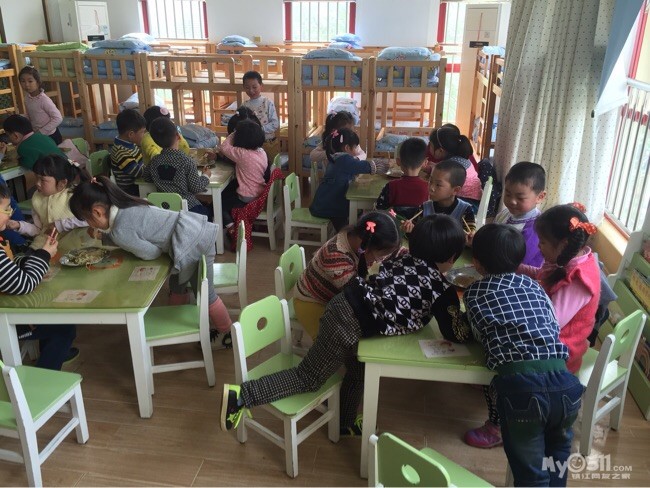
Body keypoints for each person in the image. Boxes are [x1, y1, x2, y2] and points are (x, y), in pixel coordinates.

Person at [221, 215, 471, 435]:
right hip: (346, 320)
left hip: (346, 306)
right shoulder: (442, 289)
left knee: (359, 370)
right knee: (308, 377)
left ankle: (344, 422)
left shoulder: (402, 260)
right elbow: (455, 333)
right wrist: (472, 323)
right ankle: (242, 396)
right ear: (452, 258)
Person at [466, 204, 601, 450]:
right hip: (547, 338)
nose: (538, 247)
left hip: (558, 349)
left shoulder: (578, 279)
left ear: (562, 244)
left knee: (505, 350)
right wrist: (513, 269)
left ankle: (498, 426)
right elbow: (541, 276)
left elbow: (550, 321)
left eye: (543, 243)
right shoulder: (567, 260)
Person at [464, 224, 583, 486]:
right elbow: (553, 323)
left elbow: (478, 333)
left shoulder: (474, 292)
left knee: (531, 474)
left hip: (522, 389)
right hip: (565, 383)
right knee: (557, 460)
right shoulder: (535, 286)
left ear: (476, 263)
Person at [69, 176, 233, 347]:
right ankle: (173, 321)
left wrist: (115, 240)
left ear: (97, 212)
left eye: (87, 219)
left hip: (191, 244)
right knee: (177, 284)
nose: (89, 224)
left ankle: (226, 333)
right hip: (193, 230)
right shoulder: (127, 203)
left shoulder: (119, 231)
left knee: (206, 294)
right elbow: (134, 233)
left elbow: (151, 253)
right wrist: (107, 237)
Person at [0, 182, 77, 370]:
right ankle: (44, 377)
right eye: (6, 209)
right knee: (64, 327)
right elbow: (22, 285)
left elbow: (8, 264)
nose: (9, 214)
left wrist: (30, 260)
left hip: (7, 307)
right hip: (4, 321)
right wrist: (43, 255)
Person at [294, 211, 402, 339]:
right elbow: (356, 296)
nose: (381, 260)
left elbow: (392, 251)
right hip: (312, 301)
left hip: (335, 295)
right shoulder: (336, 256)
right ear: (367, 247)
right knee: (336, 341)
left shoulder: (357, 238)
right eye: (380, 256)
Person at [310, 128, 389, 230]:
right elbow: (364, 166)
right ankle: (343, 237)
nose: (357, 150)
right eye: (355, 147)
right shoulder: (344, 159)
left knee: (356, 214)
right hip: (330, 206)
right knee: (345, 228)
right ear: (347, 148)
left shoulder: (336, 157)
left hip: (323, 202)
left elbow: (349, 170)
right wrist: (384, 165)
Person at [6, 154, 88, 249]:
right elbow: (39, 230)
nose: (37, 183)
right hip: (45, 246)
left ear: (62, 183)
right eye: (36, 178)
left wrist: (60, 225)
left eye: (43, 180)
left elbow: (88, 220)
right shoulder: (37, 198)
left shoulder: (74, 195)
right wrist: (19, 226)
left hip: (73, 245)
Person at [145, 117, 213, 219]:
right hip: (188, 208)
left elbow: (146, 177)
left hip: (164, 210)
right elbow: (196, 187)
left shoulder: (154, 161)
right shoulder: (186, 160)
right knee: (210, 210)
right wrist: (206, 176)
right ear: (178, 136)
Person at [215, 119, 268, 230]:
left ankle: (232, 227)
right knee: (228, 191)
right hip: (259, 192)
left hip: (246, 197)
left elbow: (224, 147)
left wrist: (233, 133)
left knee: (217, 204)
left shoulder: (242, 154)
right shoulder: (262, 152)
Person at [494, 161, 546, 267]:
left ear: (540, 197)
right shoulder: (504, 214)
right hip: (499, 264)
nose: (512, 201)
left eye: (520, 198)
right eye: (508, 194)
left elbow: (521, 260)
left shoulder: (537, 227)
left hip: (520, 273)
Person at [426, 124, 481, 208]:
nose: (429, 148)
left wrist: (427, 168)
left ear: (440, 150)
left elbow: (442, 177)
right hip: (475, 199)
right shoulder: (460, 158)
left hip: (467, 203)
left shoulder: (450, 165)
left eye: (431, 146)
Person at [375, 137, 429, 219]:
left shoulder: (391, 186)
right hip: (421, 227)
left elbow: (379, 210)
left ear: (398, 161)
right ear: (425, 163)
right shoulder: (429, 188)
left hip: (395, 226)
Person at [0, 114, 64, 171]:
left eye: (8, 135)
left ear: (15, 136)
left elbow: (27, 164)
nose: (8, 138)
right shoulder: (43, 136)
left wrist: (18, 160)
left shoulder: (22, 147)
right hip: (65, 165)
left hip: (55, 173)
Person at [241, 71, 280, 162]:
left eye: (254, 87)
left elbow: (275, 124)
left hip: (269, 143)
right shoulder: (244, 105)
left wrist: (259, 130)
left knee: (272, 168)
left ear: (261, 86)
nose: (251, 91)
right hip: (251, 146)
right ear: (244, 88)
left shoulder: (268, 102)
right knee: (255, 168)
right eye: (247, 87)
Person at [19, 66, 63, 145]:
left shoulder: (44, 100)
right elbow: (31, 115)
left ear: (38, 82)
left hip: (51, 136)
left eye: (30, 81)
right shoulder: (27, 98)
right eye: (23, 81)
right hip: (38, 135)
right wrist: (18, 116)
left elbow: (58, 118)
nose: (26, 85)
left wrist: (41, 132)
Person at [110, 109, 147, 197]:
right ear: (131, 134)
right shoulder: (121, 152)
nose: (144, 135)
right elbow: (138, 173)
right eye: (142, 132)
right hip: (128, 190)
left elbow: (141, 163)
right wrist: (154, 167)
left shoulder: (130, 145)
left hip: (136, 183)